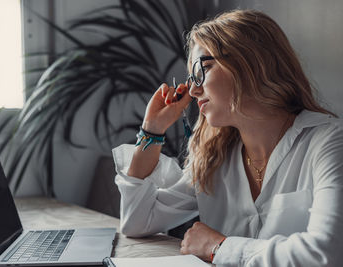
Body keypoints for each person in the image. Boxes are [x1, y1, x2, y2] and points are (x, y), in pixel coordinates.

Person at [112, 9, 343, 266]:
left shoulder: (329, 143)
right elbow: (136, 221)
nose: (194, 90)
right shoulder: (215, 157)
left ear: (251, 64)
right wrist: (151, 131)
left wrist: (217, 247)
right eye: (191, 78)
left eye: (204, 69)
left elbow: (327, 254)